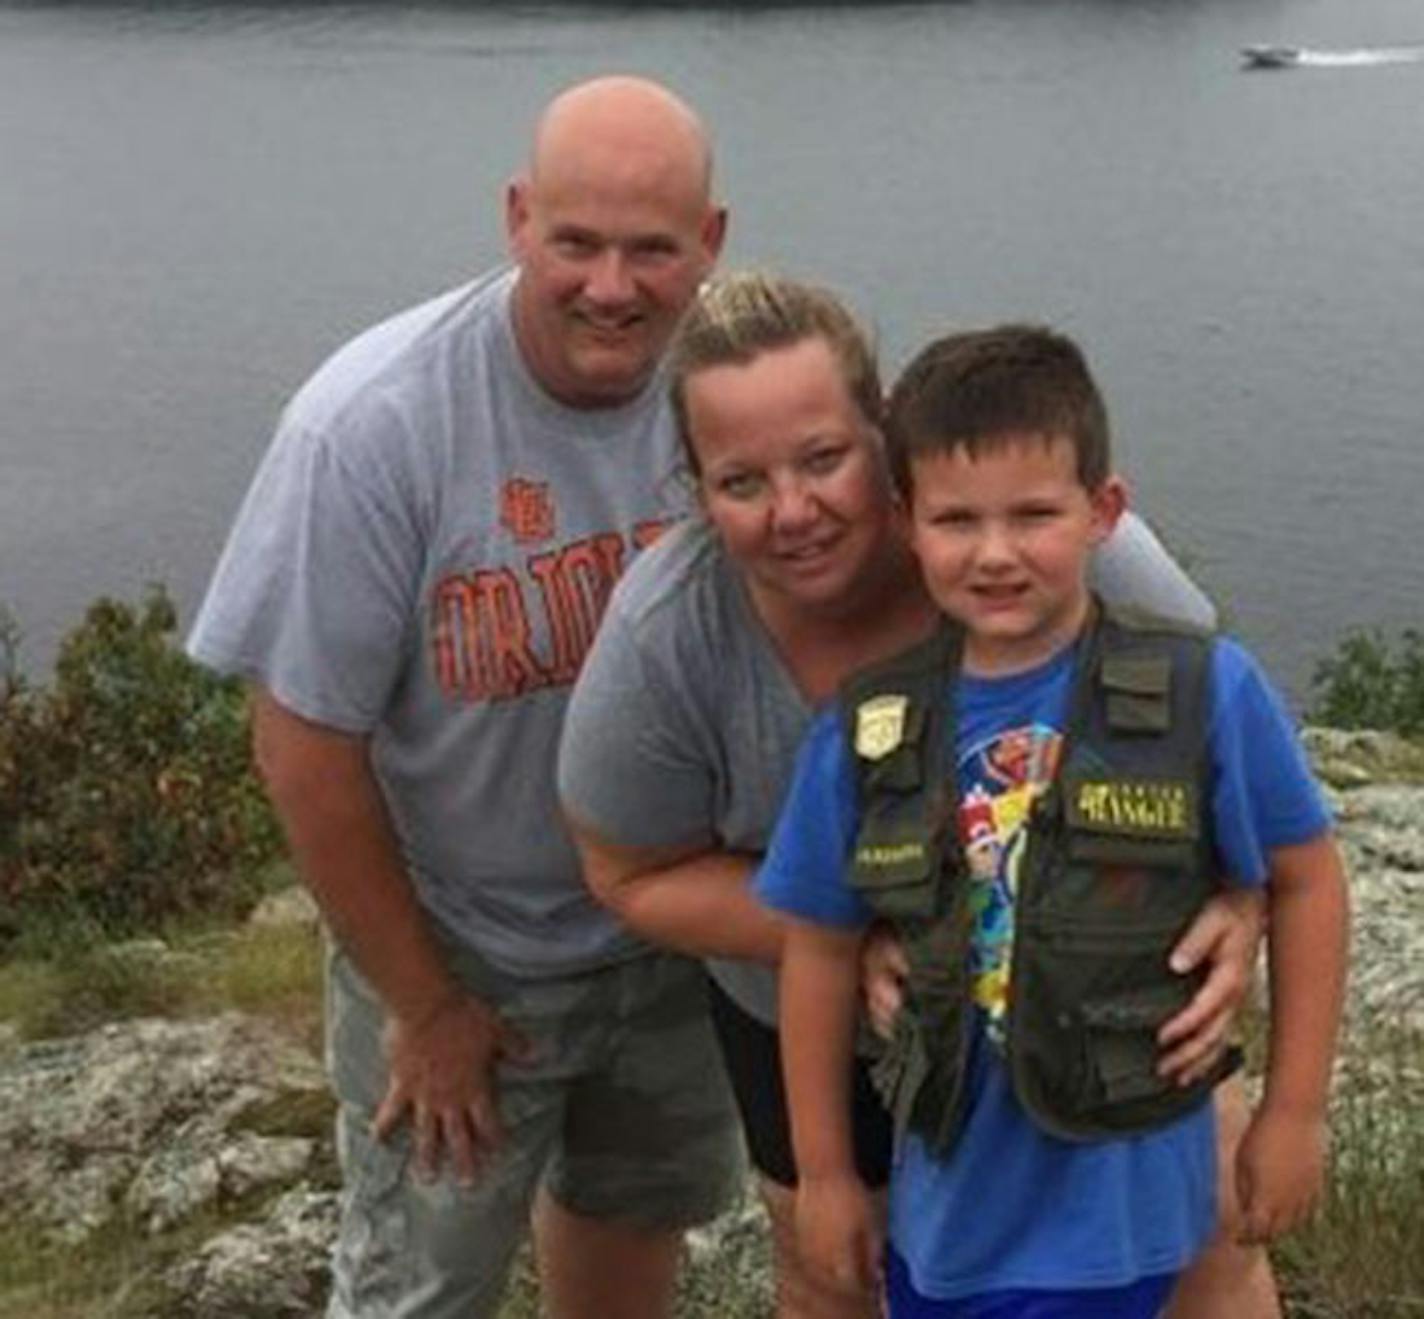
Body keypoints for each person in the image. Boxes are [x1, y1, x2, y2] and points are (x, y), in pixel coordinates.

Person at [559, 273, 1276, 1317]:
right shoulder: (667, 633)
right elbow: (622, 869)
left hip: (1101, 974)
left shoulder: (1021, 528)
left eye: (823, 458)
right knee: (833, 1274)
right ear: (693, 487)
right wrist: (851, 936)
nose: (793, 510)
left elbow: (1216, 721)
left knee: (1205, 1241)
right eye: (741, 481)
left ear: (884, 434)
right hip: (812, 1022)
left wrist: (1240, 897)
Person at [186, 76, 742, 1319]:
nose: (612, 285)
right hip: (466, 949)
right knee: (419, 1289)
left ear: (707, 242)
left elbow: (930, 502)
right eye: (575, 241)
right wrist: (425, 1003)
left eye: (651, 247)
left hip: (674, 940)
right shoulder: (372, 425)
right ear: (514, 219)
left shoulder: (739, 390)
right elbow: (301, 746)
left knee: (631, 1223)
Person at [759, 322, 1350, 1316]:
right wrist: (822, 1172)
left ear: (1101, 511)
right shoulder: (867, 730)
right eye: (955, 520)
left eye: (1033, 513)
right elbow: (814, 950)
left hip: (1132, 1209)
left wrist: (1293, 1110)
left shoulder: (1205, 690)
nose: (994, 554)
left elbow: (1306, 880)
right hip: (950, 1210)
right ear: (906, 524)